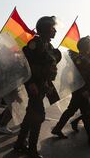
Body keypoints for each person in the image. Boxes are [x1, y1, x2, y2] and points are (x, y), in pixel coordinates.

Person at [13, 16, 61, 158]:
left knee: (31, 114)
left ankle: (19, 143)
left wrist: (48, 84)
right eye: (52, 27)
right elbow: (25, 65)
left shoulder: (49, 46)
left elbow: (48, 68)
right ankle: (32, 150)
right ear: (46, 28)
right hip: (34, 84)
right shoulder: (35, 43)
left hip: (42, 84)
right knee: (38, 115)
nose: (55, 30)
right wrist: (31, 83)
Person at [51, 36, 90, 148]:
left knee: (72, 110)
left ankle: (57, 129)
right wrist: (84, 90)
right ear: (85, 47)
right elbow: (78, 77)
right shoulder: (81, 59)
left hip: (85, 91)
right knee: (86, 114)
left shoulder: (87, 59)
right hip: (81, 92)